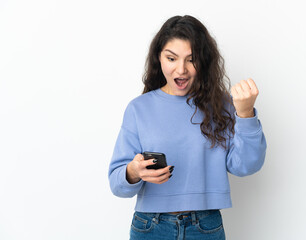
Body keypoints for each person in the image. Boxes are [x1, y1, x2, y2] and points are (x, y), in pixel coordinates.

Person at [108, 15, 267, 240]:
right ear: (159, 58)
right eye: (171, 58)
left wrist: (246, 114)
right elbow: (117, 182)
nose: (181, 70)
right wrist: (133, 172)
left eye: (191, 60)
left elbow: (246, 166)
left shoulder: (222, 104)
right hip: (151, 227)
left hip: (205, 226)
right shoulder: (139, 108)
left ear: (203, 60)